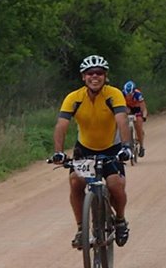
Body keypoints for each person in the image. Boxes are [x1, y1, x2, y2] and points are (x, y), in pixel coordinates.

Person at [51, 55, 133, 249]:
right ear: (83, 76)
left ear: (105, 76)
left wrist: (126, 147)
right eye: (90, 73)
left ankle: (120, 220)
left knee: (116, 185)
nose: (94, 77)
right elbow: (62, 125)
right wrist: (58, 152)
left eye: (99, 73)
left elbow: (122, 120)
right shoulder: (74, 98)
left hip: (112, 148)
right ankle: (82, 229)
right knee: (75, 182)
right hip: (85, 149)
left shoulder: (114, 94)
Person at [123, 80, 148, 158]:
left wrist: (144, 116)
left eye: (130, 94)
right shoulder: (122, 94)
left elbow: (143, 108)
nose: (128, 96)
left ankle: (141, 146)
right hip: (128, 108)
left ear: (133, 92)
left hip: (137, 109)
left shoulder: (138, 95)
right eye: (127, 94)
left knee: (139, 126)